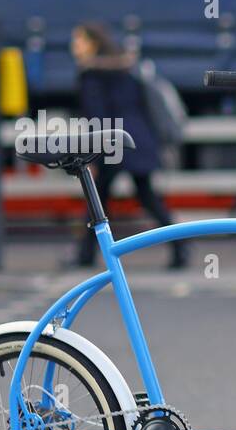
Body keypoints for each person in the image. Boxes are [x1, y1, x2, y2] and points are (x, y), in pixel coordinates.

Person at [69, 22, 187, 269]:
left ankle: (85, 255)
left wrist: (93, 157)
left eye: (79, 40)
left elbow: (97, 118)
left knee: (97, 200)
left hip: (113, 142)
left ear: (93, 43)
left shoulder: (91, 75)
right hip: (137, 139)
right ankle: (180, 247)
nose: (74, 46)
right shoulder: (125, 68)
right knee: (147, 198)